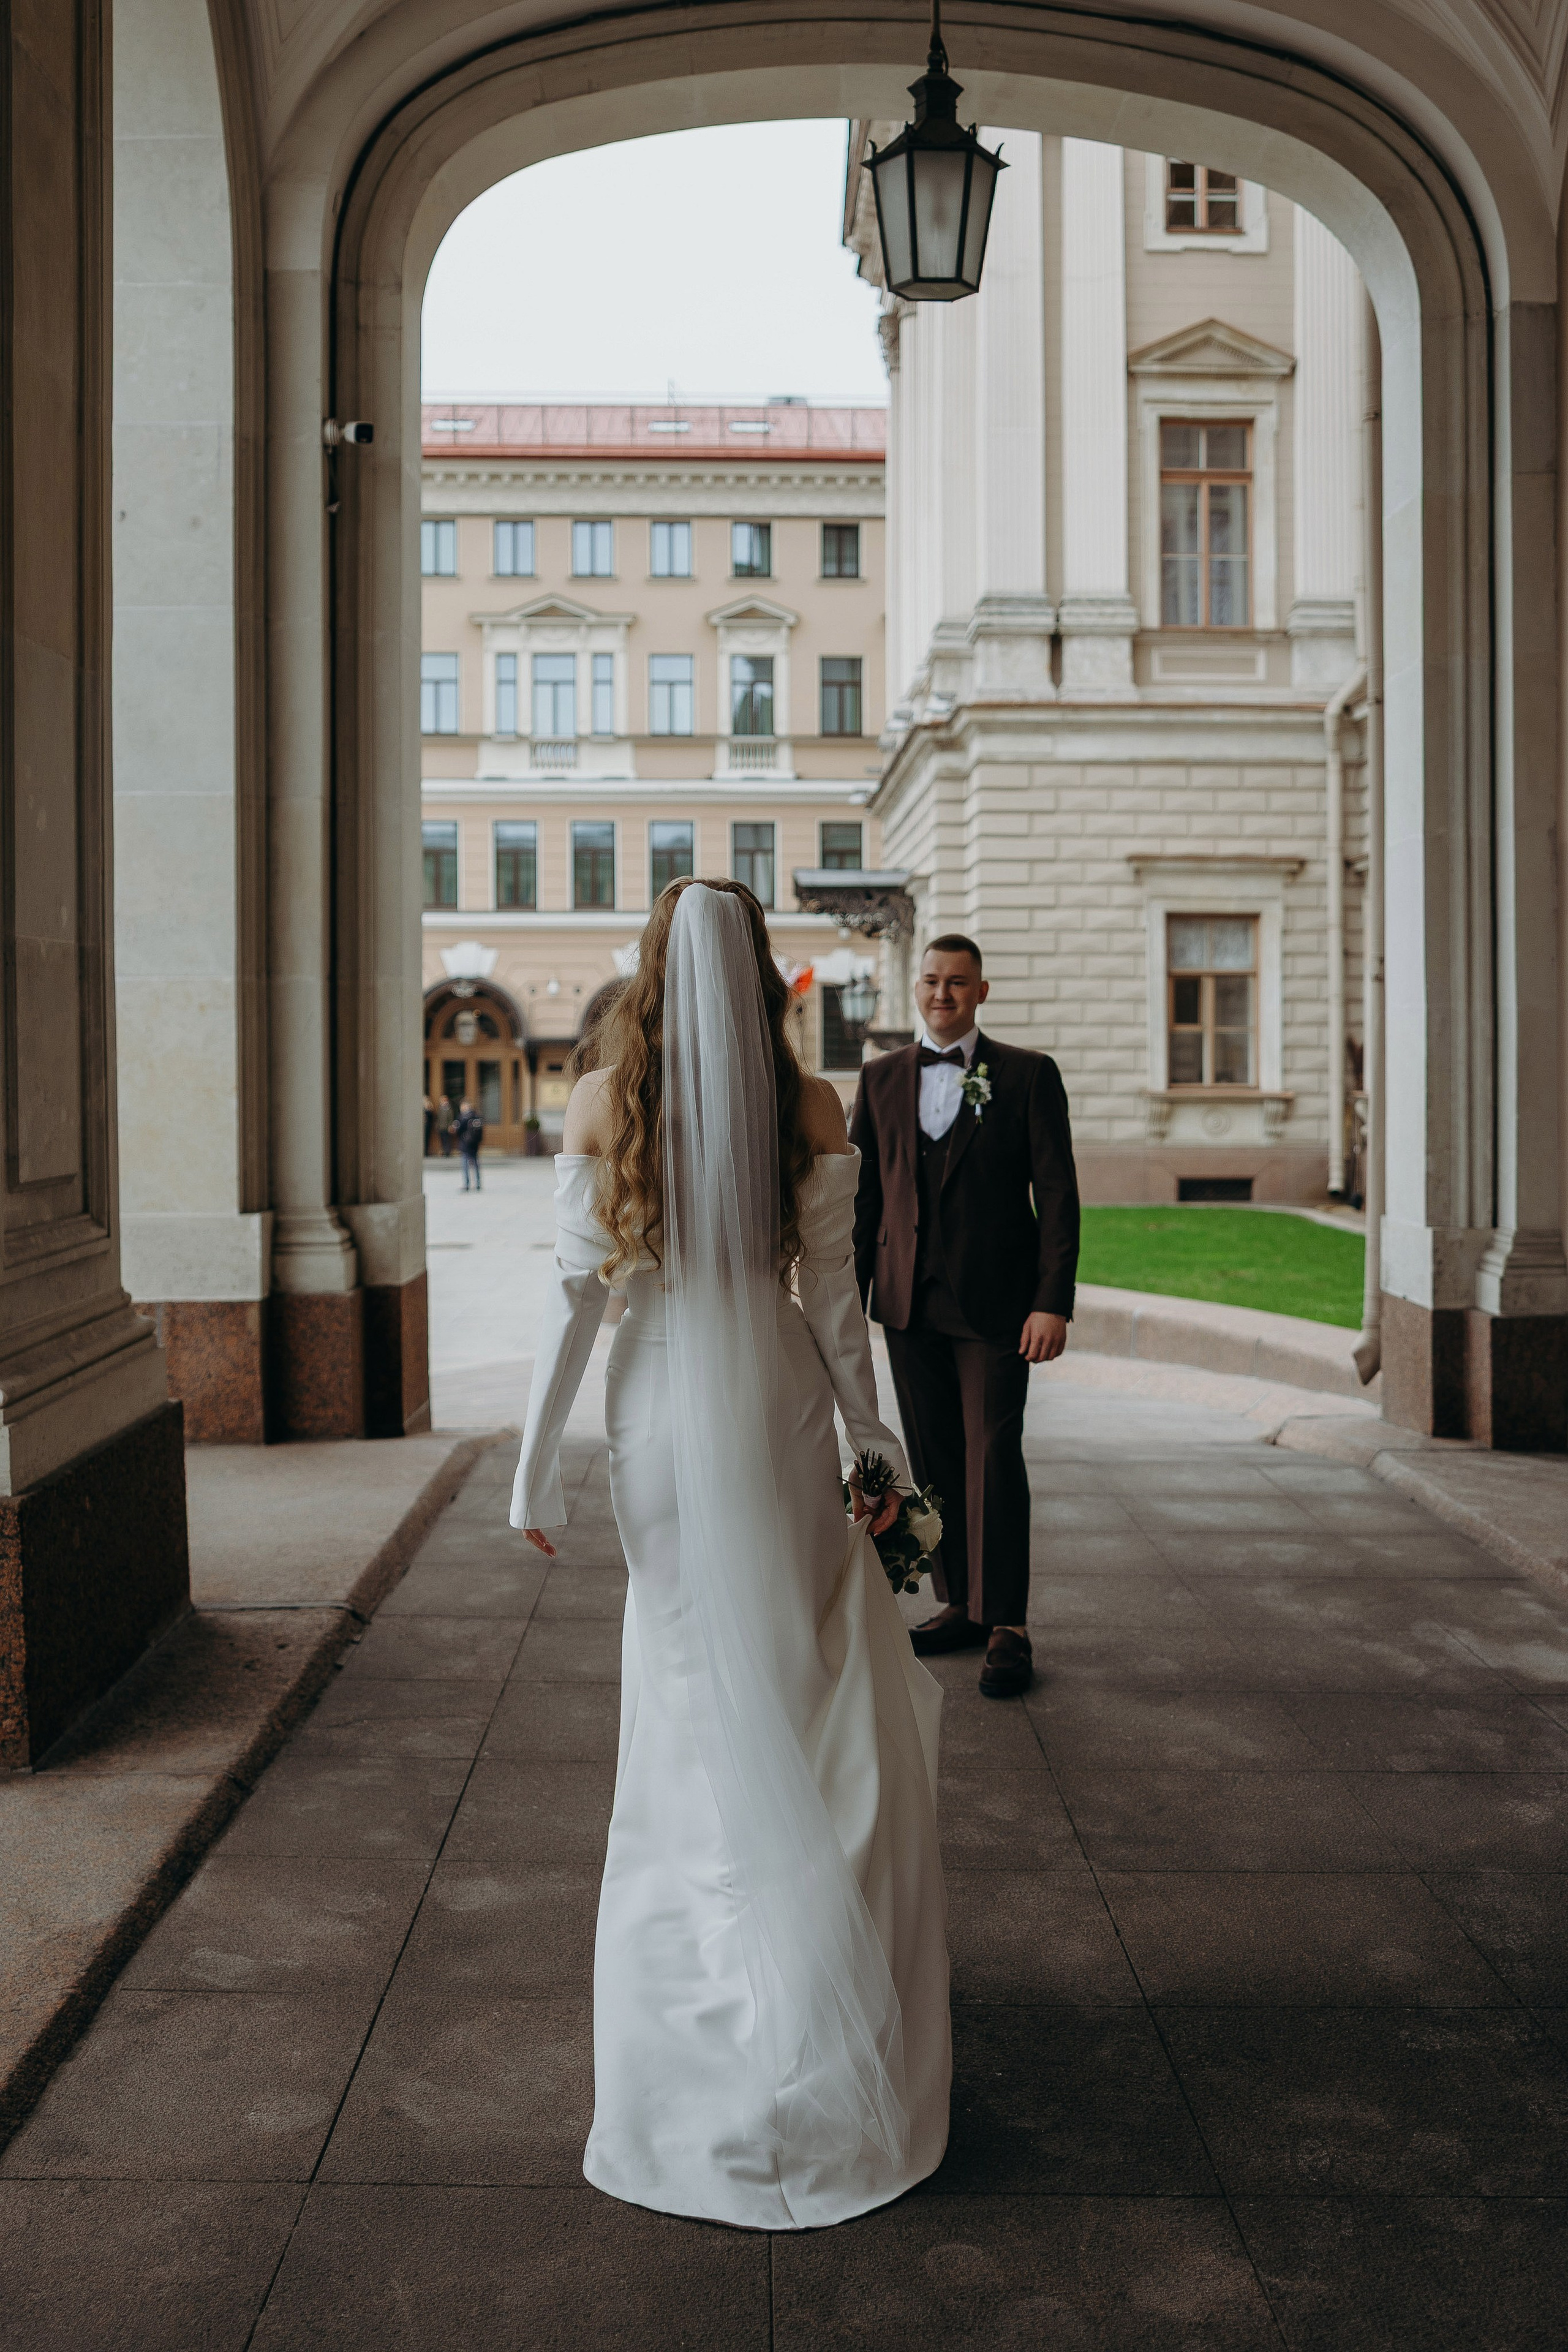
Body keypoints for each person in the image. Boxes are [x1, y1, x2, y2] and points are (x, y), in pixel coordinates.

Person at [512, 878, 949, 2230]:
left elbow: (574, 1303)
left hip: (653, 1411)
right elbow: (834, 1301)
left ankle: (699, 2037)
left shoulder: (597, 1099)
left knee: (688, 1678)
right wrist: (873, 1449)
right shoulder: (807, 1099)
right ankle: (817, 1997)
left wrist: (534, 1463)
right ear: (759, 965)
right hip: (773, 1403)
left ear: (647, 969)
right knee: (808, 1669)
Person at [851, 935, 1080, 1698]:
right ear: (914, 989)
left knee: (993, 1454)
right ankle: (960, 1604)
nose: (942, 994)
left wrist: (1052, 1300)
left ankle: (1007, 1621)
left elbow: (1057, 1196)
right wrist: (846, 1303)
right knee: (935, 1459)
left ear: (982, 992)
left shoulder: (1025, 1075)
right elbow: (862, 1202)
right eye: (931, 981)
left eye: (957, 983)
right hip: (907, 1301)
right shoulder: (880, 1078)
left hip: (998, 1306)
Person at [453, 1097, 483, 1190]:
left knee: (467, 1164)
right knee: (473, 1164)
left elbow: (459, 1129)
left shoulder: (466, 1117)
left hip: (468, 1144)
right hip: (470, 1144)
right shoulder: (474, 1116)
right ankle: (475, 1183)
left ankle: (469, 1184)